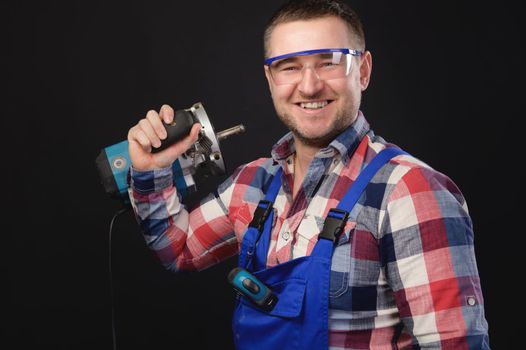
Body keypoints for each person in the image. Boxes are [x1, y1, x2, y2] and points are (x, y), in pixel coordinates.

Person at [126, 0, 490, 348]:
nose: (310, 85)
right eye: (289, 66)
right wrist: (152, 172)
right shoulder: (253, 183)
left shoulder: (411, 191)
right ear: (270, 79)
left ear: (362, 71)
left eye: (329, 62)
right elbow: (178, 249)